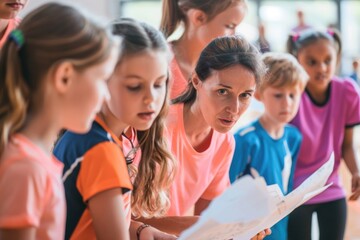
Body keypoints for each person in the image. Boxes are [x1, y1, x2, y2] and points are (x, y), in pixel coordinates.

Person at [0, 2, 119, 240]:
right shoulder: (26, 169)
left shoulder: (36, 159)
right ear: (64, 76)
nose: (107, 96)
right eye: (102, 79)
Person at [53, 18, 177, 240]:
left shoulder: (95, 135)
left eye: (159, 84)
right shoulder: (101, 151)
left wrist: (143, 230)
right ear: (101, 80)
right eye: (134, 86)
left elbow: (93, 221)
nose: (151, 98)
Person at [287, 28, 360, 240]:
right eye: (312, 62)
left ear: (337, 58)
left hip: (331, 187)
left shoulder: (347, 92)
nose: (322, 68)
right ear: (296, 60)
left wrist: (355, 171)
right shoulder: (290, 94)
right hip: (295, 192)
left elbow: (347, 145)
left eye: (328, 60)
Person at [229, 52, 309, 240]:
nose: (287, 103)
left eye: (293, 95)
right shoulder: (245, 140)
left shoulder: (293, 137)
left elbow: (287, 190)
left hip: (280, 230)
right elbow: (225, 192)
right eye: (278, 95)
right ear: (258, 94)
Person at [160, 0, 248, 99]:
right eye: (230, 26)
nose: (234, 36)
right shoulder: (161, 61)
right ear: (199, 18)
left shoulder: (222, 67)